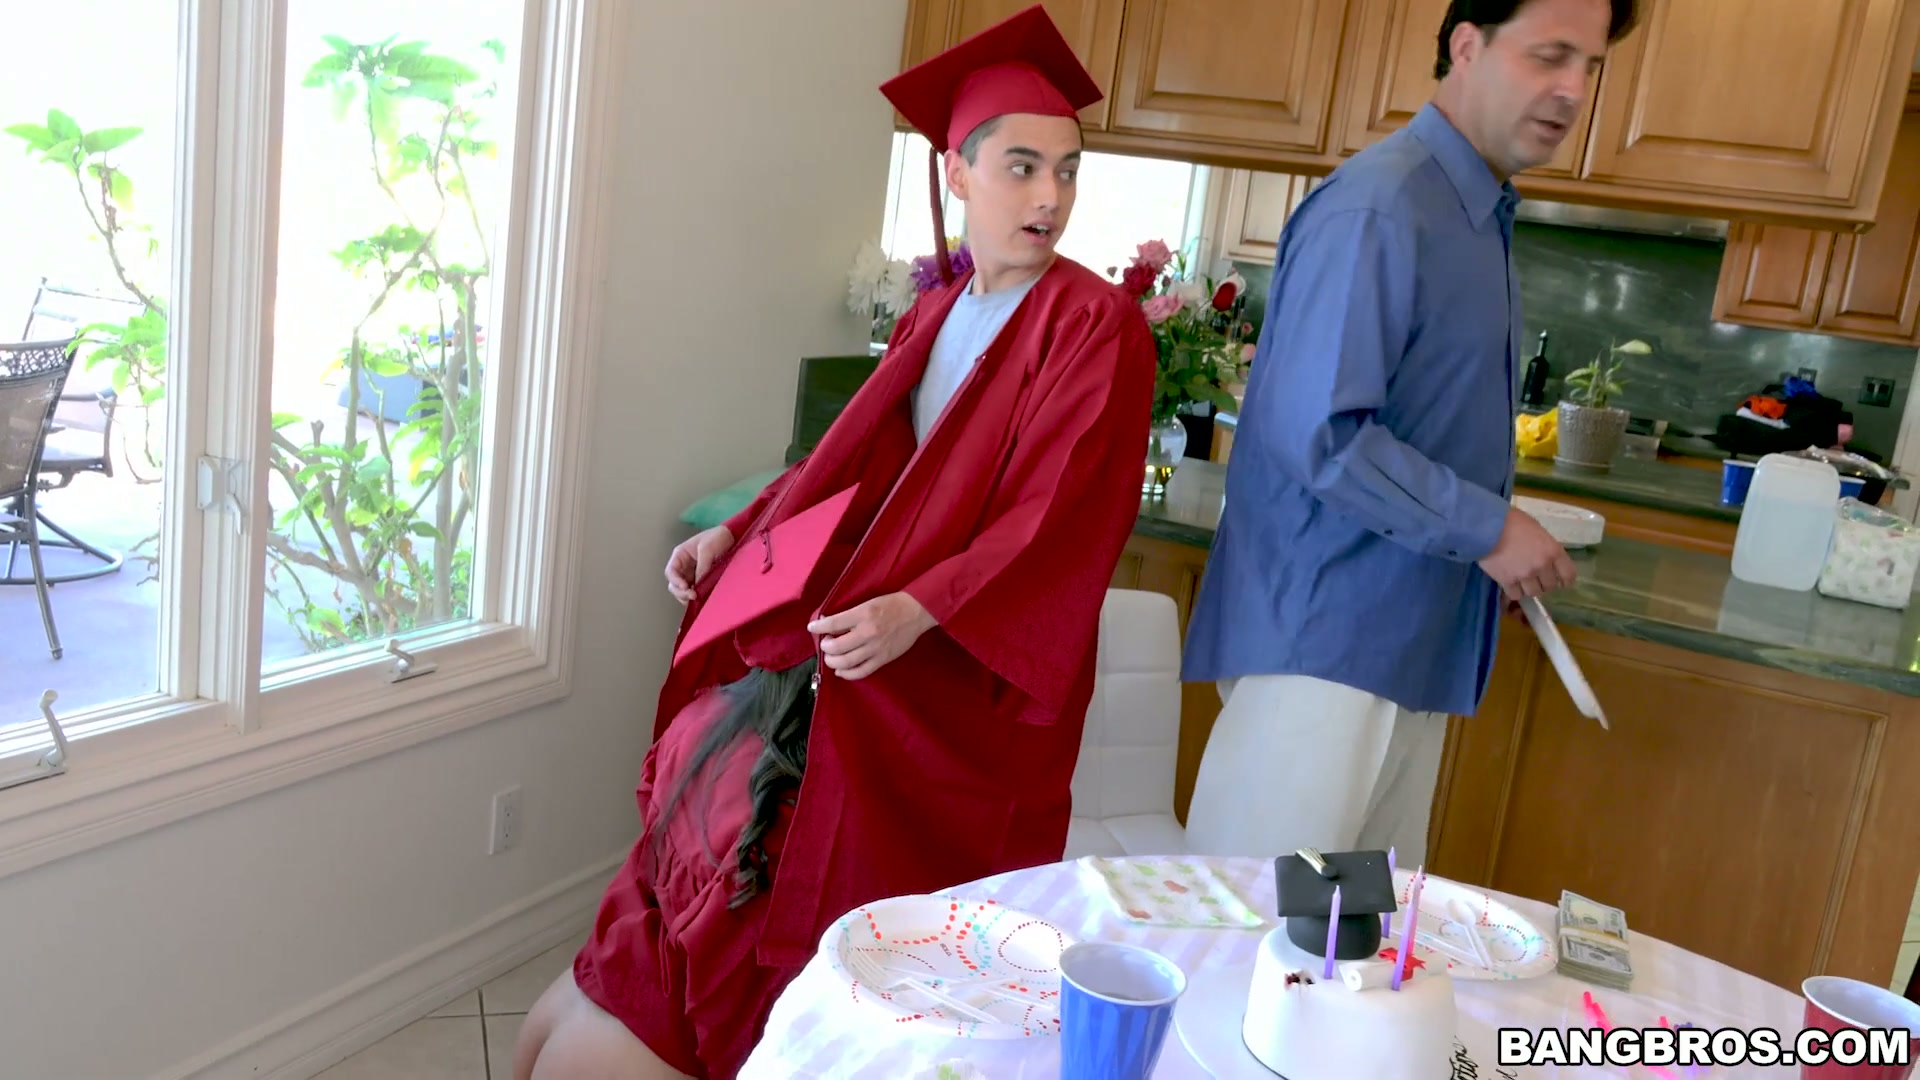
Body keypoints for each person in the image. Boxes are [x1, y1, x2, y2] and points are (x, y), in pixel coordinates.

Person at [512, 7, 1156, 1078]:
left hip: (964, 679)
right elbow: (847, 466)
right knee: (733, 806)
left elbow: (1057, 516)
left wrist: (919, 609)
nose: (1049, 196)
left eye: (1068, 171)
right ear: (958, 173)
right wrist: (737, 535)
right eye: (1022, 167)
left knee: (861, 891)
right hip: (871, 650)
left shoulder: (1095, 326)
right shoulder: (937, 312)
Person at [1179, 0, 1639, 866]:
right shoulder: (1382, 206)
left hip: (1402, 644)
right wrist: (1488, 528)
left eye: (1591, 67)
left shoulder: (1471, 210)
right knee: (1249, 922)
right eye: (1550, 56)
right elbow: (1321, 432)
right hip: (1325, 651)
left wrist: (1480, 547)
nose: (1574, 90)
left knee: (1356, 939)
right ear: (1467, 45)